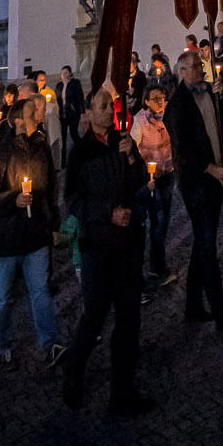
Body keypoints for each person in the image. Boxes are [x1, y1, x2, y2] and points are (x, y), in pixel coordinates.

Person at [60, 86, 156, 414]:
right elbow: (72, 200)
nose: (108, 110)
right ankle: (73, 375)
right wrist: (106, 214)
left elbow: (141, 179)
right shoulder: (80, 152)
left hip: (128, 243)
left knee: (129, 317)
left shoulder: (122, 141)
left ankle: (122, 389)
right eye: (102, 106)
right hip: (97, 245)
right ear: (87, 113)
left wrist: (132, 156)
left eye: (110, 105)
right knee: (95, 314)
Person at [0, 97, 65, 366]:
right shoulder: (0, 153)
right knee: (3, 297)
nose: (38, 115)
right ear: (17, 121)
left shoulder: (41, 148)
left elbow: (51, 190)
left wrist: (53, 224)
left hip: (37, 232)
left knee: (40, 291)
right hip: (9, 236)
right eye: (31, 112)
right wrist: (11, 200)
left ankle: (49, 343)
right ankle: (2, 344)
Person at [165, 47, 223, 330]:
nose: (200, 69)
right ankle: (220, 313)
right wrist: (210, 168)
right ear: (182, 72)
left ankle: (193, 305)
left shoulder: (210, 92)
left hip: (217, 179)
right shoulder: (177, 105)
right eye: (195, 66)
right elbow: (181, 150)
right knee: (207, 246)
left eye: (201, 64)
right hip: (197, 183)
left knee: (202, 241)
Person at [130, 84, 177, 285]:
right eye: (155, 98)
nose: (160, 101)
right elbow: (132, 150)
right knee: (157, 221)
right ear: (146, 101)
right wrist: (146, 169)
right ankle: (157, 268)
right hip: (151, 180)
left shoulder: (168, 116)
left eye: (162, 97)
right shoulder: (139, 121)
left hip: (168, 174)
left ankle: (157, 261)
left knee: (164, 220)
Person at [58, 67, 85, 161]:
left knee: (74, 133)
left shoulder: (75, 83)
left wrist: (82, 112)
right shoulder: (59, 85)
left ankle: (82, 152)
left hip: (73, 112)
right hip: (63, 113)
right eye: (62, 73)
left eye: (66, 73)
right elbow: (58, 99)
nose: (64, 75)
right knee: (63, 136)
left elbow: (80, 97)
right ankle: (63, 159)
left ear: (70, 73)